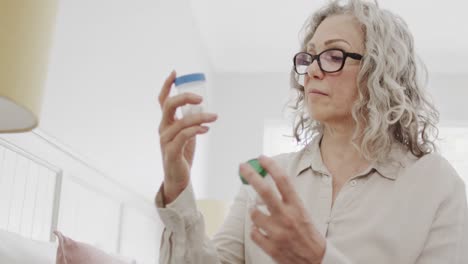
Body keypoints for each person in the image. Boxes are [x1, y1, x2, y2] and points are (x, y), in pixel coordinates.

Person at [155, 0, 468, 263]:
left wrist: (319, 258)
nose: (314, 70)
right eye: (310, 56)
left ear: (381, 71)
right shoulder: (265, 179)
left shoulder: (436, 184)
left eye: (334, 55)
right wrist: (177, 185)